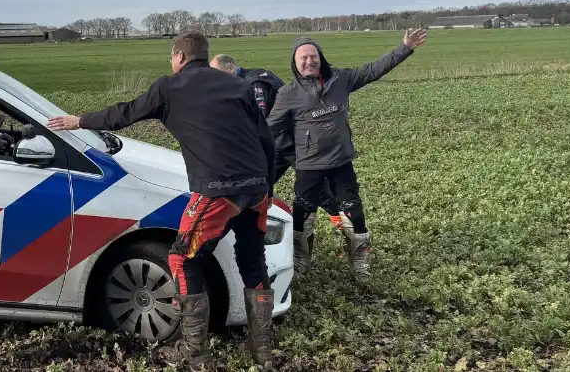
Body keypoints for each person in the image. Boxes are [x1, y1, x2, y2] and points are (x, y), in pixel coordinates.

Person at [47, 30, 278, 371]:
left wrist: (78, 121)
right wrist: (267, 187)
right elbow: (265, 138)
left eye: (171, 58)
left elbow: (124, 114)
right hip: (256, 188)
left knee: (183, 259)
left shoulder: (170, 87)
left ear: (180, 57)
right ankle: (264, 353)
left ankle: (195, 353)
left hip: (219, 189)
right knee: (253, 261)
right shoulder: (238, 85)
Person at [267, 28, 428, 281]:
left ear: (320, 57)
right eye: (303, 58)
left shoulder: (341, 79)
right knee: (303, 215)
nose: (309, 61)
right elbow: (269, 128)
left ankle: (359, 262)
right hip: (309, 165)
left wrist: (405, 47)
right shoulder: (288, 94)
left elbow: (373, 69)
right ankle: (301, 261)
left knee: (355, 214)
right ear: (295, 64)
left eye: (313, 56)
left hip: (341, 161)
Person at [210, 54, 344, 231]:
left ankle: (345, 225)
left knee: (315, 186)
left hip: (293, 141)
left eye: (219, 75)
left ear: (230, 68)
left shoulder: (256, 84)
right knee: (259, 183)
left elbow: (262, 122)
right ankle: (251, 226)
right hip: (278, 143)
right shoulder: (243, 82)